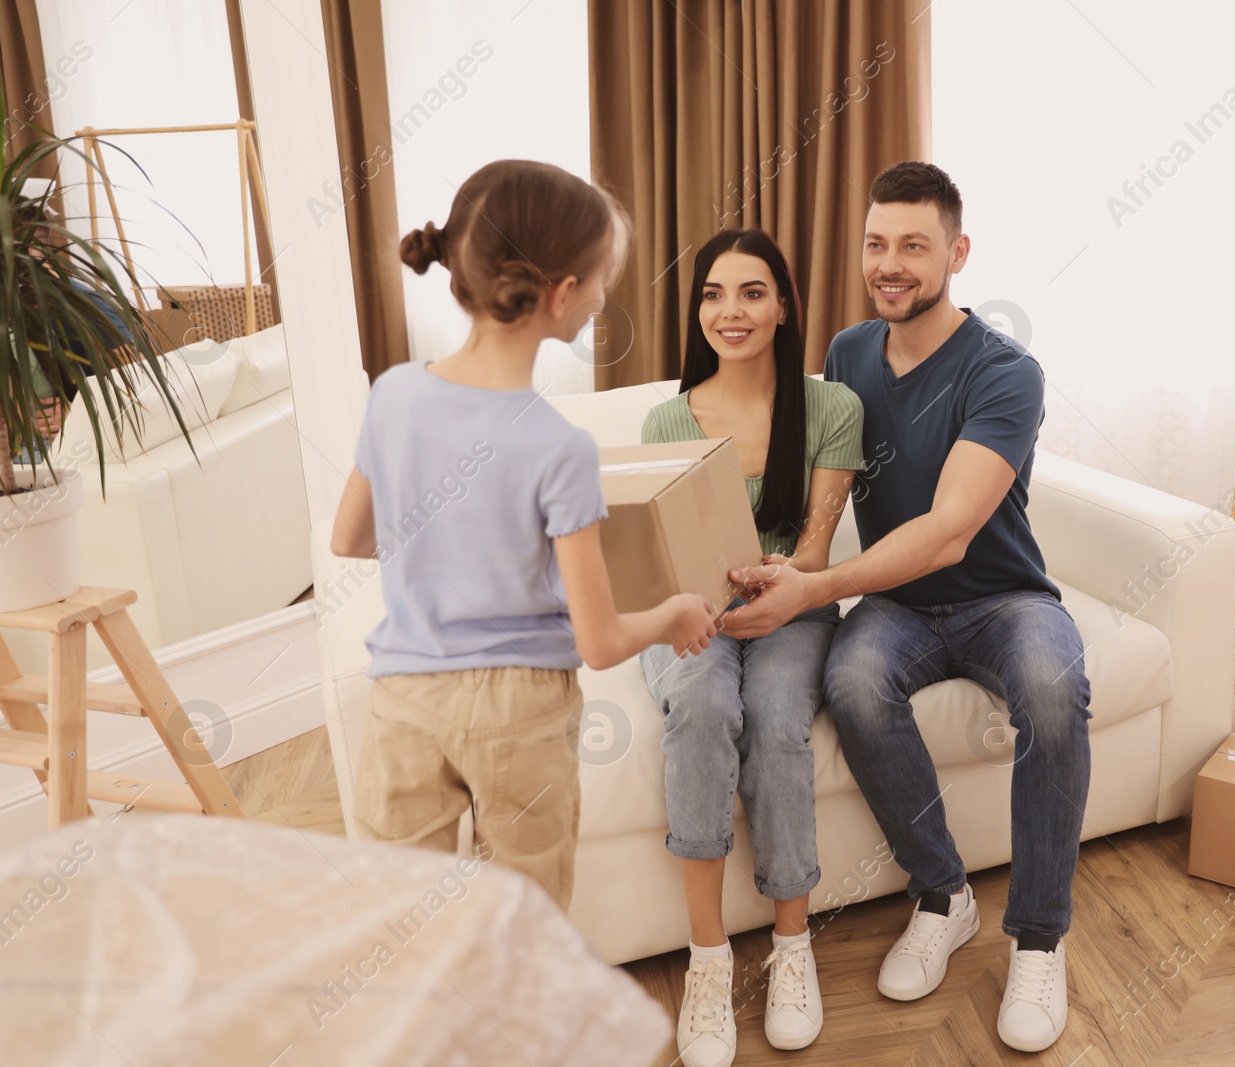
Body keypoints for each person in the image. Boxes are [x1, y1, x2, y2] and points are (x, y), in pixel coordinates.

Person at [720, 161, 1091, 1053]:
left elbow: (952, 529)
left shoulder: (1008, 373)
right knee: (851, 682)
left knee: (1051, 685)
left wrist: (815, 587)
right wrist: (777, 567)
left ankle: (1040, 939)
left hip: (1002, 597)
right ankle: (943, 895)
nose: (891, 263)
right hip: (896, 606)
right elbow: (824, 491)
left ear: (957, 253)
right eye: (877, 244)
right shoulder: (847, 353)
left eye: (914, 246)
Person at [330, 159, 718, 911]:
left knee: (402, 925)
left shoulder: (393, 394)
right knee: (523, 927)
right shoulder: (556, 445)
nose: (605, 294)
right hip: (520, 710)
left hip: (403, 698)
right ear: (562, 294)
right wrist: (675, 614)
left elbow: (350, 537)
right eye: (602, 278)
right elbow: (600, 640)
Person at [639, 228, 863, 1067]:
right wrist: (700, 597)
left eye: (751, 292)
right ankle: (706, 963)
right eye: (713, 294)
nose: (730, 312)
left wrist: (776, 584)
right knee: (701, 704)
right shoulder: (668, 415)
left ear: (783, 305)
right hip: (690, 605)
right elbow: (658, 548)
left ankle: (792, 947)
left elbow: (816, 549)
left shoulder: (832, 407)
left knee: (774, 717)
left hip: (794, 604)